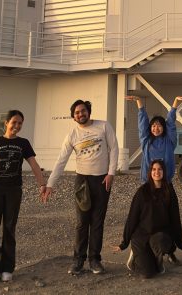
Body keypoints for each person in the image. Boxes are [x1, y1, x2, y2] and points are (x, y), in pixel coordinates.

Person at [42, 99, 118, 275]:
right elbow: (61, 160)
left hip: (102, 180)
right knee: (82, 223)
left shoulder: (104, 126)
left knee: (97, 222)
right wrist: (50, 185)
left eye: (83, 111)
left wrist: (111, 173)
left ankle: (95, 260)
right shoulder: (72, 135)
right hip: (82, 182)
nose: (80, 114)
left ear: (88, 111)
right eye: (76, 113)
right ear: (73, 117)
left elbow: (114, 148)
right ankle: (78, 260)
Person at [0, 110, 47, 284]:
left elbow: (33, 164)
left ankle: (7, 268)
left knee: (9, 228)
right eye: (14, 122)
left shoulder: (23, 143)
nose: (17, 126)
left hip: (14, 190)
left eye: (20, 123)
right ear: (6, 123)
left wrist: (42, 184)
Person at [113, 160, 182, 278]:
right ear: (150, 172)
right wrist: (124, 243)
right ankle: (136, 255)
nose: (157, 172)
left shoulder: (169, 191)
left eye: (160, 169)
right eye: (154, 169)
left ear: (164, 172)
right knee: (147, 274)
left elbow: (175, 219)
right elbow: (132, 217)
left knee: (159, 240)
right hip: (142, 236)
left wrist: (180, 243)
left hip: (161, 236)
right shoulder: (142, 192)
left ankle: (158, 261)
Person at [126, 94, 182, 182]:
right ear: (150, 128)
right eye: (153, 126)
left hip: (165, 181)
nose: (156, 129)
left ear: (164, 128)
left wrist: (176, 102)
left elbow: (170, 121)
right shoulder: (146, 140)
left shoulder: (169, 140)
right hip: (147, 181)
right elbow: (142, 123)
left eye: (159, 126)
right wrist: (139, 101)